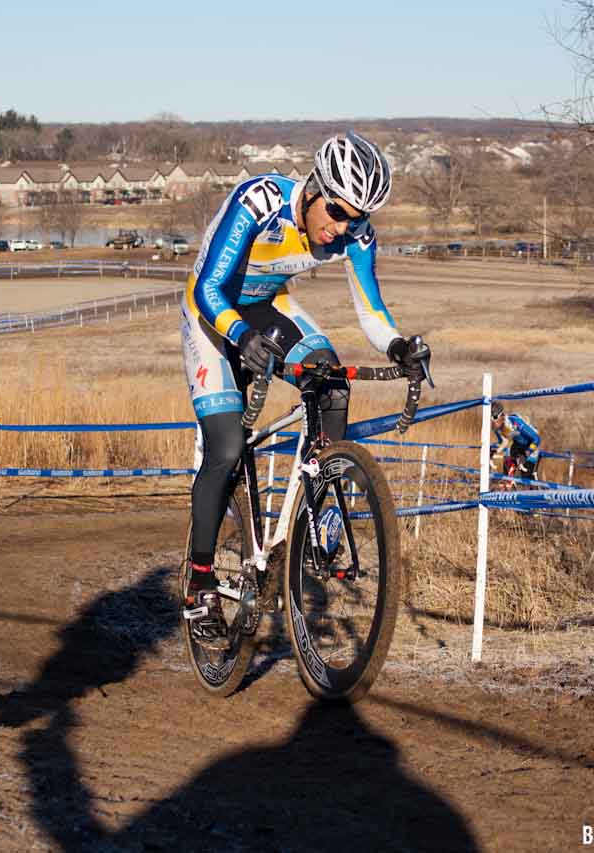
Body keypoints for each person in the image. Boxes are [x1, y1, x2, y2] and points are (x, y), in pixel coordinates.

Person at [180, 131, 430, 645]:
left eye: (355, 220)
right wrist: (239, 335)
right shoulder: (259, 202)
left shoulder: (353, 235)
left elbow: (371, 310)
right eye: (337, 212)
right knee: (226, 449)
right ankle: (199, 583)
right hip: (211, 317)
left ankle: (322, 510)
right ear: (315, 187)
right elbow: (208, 284)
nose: (340, 229)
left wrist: (399, 345)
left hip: (267, 308)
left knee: (331, 381)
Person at [490, 401, 541, 486]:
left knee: (525, 480)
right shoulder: (497, 428)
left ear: (502, 415)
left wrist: (526, 454)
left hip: (532, 445)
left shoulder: (514, 422)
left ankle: (533, 492)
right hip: (518, 445)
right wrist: (495, 450)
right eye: (489, 418)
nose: (492, 421)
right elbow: (503, 442)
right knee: (507, 470)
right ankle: (508, 491)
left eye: (494, 417)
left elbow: (536, 439)